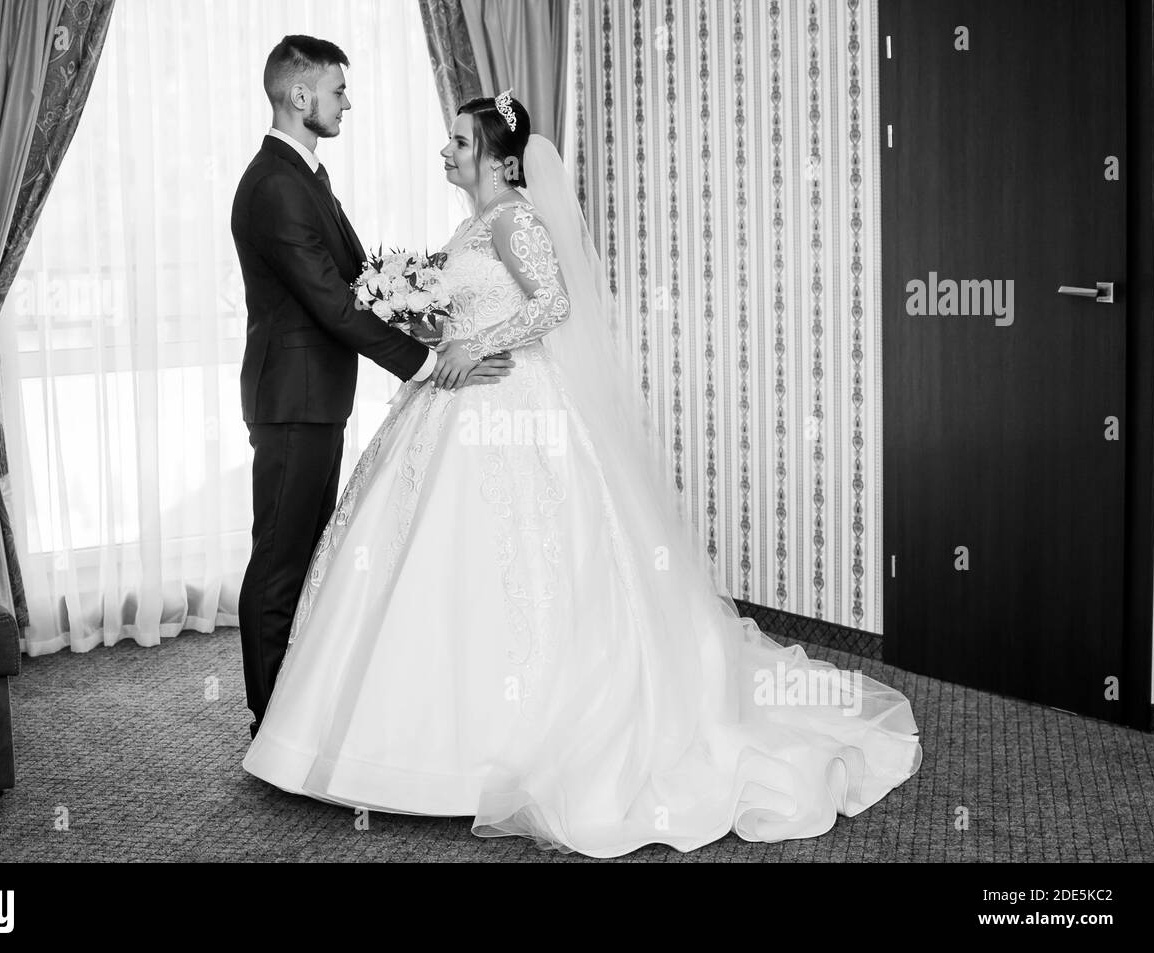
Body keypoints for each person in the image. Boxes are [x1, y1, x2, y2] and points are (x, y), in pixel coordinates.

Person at [243, 89, 923, 857]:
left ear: (497, 159)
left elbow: (554, 303)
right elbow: (478, 301)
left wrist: (473, 343)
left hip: (513, 400)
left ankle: (492, 748)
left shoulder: (513, 217)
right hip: (458, 401)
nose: (446, 152)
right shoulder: (473, 223)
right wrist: (435, 323)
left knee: (525, 563)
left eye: (459, 143)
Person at [230, 36, 514, 740]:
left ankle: (289, 702)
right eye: (336, 90)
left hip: (313, 397)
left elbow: (358, 280)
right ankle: (270, 716)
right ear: (301, 97)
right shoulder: (274, 187)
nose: (346, 102)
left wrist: (420, 305)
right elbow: (332, 303)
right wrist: (428, 365)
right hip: (291, 402)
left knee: (303, 552)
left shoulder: (304, 176)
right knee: (279, 559)